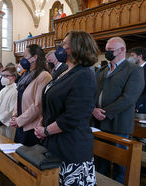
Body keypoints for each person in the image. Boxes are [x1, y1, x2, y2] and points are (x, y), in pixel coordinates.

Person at [34, 31, 98, 186]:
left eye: (63, 44)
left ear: (76, 48)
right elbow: (49, 99)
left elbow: (74, 116)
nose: (60, 47)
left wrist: (47, 130)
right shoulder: (63, 70)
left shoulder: (84, 75)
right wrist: (42, 122)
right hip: (54, 142)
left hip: (71, 148)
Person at [91, 37, 144, 184]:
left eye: (110, 50)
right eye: (106, 50)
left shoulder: (134, 71)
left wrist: (104, 113)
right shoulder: (102, 70)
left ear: (122, 50)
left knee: (121, 165)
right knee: (101, 162)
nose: (107, 52)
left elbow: (128, 98)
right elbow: (92, 92)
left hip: (118, 123)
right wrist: (93, 109)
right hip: (98, 122)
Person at [9, 44, 52, 146]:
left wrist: (19, 120)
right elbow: (19, 96)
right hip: (21, 124)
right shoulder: (26, 74)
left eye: (25, 56)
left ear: (35, 57)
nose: (22, 60)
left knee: (26, 159)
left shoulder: (44, 76)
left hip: (32, 127)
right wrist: (15, 115)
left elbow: (38, 106)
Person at [0, 66, 18, 140]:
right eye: (3, 75)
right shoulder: (3, 90)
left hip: (7, 124)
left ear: (13, 77)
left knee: (7, 142)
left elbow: (12, 110)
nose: (3, 78)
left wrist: (0, 120)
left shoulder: (16, 90)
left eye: (6, 76)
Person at [129, 47, 146, 113]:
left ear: (140, 56)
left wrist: (138, 105)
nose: (130, 58)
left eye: (132, 55)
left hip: (142, 107)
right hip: (131, 106)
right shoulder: (133, 70)